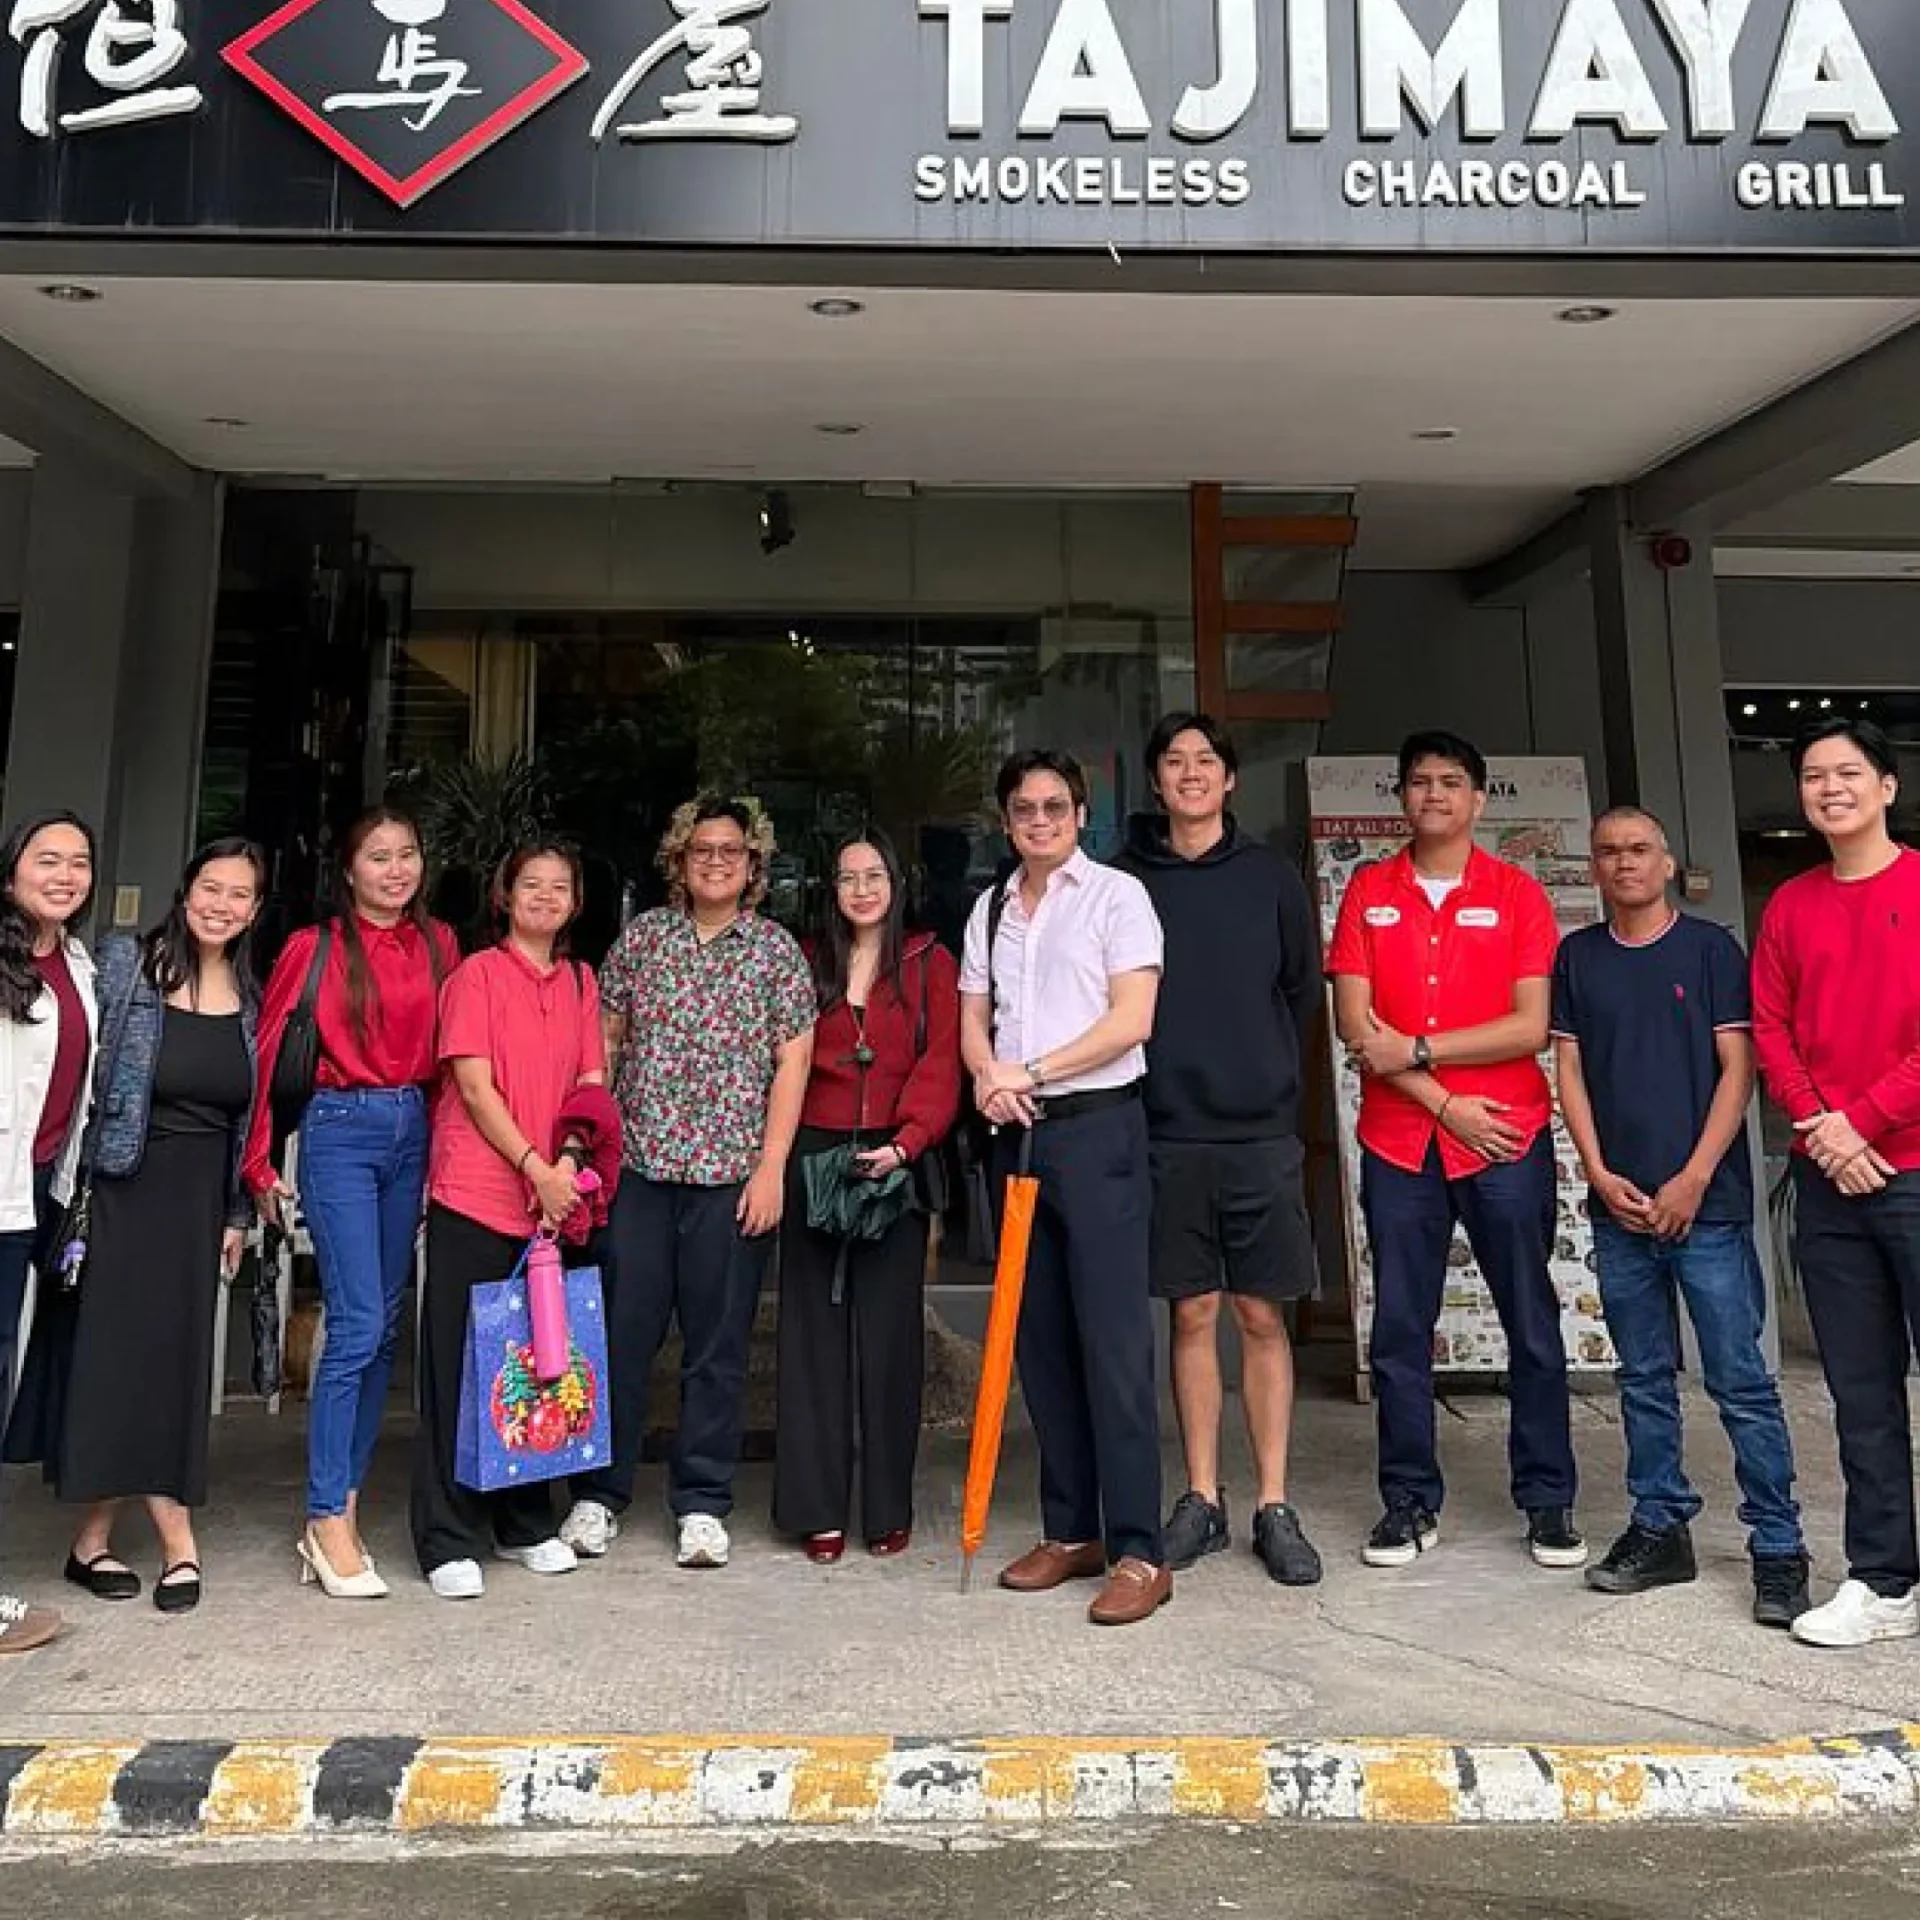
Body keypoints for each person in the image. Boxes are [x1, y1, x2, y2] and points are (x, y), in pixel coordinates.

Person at [1327, 730, 1582, 1572]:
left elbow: (1530, 1025)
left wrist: (1422, 1051)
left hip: (1505, 1135)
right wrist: (1443, 1102)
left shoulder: (1516, 894)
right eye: (1418, 782)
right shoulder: (1370, 891)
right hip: (1402, 1142)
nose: (1432, 794)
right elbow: (1358, 1029)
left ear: (1477, 798)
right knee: (1401, 1329)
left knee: (1531, 1321)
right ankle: (1407, 1501)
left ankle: (1547, 1499)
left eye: (1449, 782)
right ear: (1401, 797)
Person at [1552, 807, 1809, 1627]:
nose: (1624, 863)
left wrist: (1694, 1178)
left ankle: (1779, 1546)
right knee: (1642, 1379)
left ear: (1666, 863)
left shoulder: (1709, 951)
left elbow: (1740, 1069)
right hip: (1619, 1206)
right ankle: (1660, 1525)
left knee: (1740, 1381)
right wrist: (1597, 1172)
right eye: (1609, 852)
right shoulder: (1578, 957)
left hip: (1710, 1209)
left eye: (1639, 850)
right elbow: (1569, 1069)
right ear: (1594, 868)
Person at [7, 840, 266, 1615]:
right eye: (211, 887)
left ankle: (93, 1540)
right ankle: (168, 1538)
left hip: (198, 1202)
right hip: (123, 1187)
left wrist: (236, 1212)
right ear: (185, 892)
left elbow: (246, 1120)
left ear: (255, 910)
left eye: (240, 894)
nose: (222, 905)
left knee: (174, 1363)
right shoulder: (126, 964)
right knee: (114, 1362)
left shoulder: (251, 996)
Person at [561, 796, 815, 1571]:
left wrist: (771, 1167)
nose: (715, 862)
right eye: (701, 849)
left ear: (753, 865)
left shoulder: (775, 952)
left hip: (731, 1178)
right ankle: (598, 1495)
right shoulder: (642, 941)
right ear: (679, 860)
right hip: (639, 1173)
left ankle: (702, 1503)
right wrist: (586, 1148)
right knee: (620, 1338)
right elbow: (604, 1046)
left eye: (731, 851)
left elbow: (793, 1063)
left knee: (717, 1348)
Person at [1114, 714, 1324, 1587]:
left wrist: (1266, 1077)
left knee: (1260, 1315)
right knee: (1192, 1313)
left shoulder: (1270, 877)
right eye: (1175, 761)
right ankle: (1202, 1497)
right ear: (1156, 781)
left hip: (1258, 1132)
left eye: (1207, 760)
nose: (1191, 773)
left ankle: (1274, 1503)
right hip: (1166, 1128)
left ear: (1230, 779)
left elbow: (1301, 990)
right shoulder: (1126, 881)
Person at [960, 749, 1168, 1627]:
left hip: (1098, 1131)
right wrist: (988, 1077)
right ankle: (1071, 1529)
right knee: (1039, 1341)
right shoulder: (991, 907)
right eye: (1023, 809)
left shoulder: (1118, 897)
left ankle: (1139, 1550)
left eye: (1054, 806)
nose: (1039, 820)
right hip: (1019, 1138)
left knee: (1113, 1347)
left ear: (1081, 814)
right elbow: (974, 1018)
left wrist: (1031, 1070)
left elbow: (1132, 1020)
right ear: (1006, 821)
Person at [245, 807, 459, 1600]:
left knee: (385, 1324)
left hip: (413, 1128)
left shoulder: (440, 944)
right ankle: (324, 1512)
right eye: (378, 857)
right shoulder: (315, 947)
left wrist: (443, 1158)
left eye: (407, 854)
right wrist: (259, 1164)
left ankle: (348, 1501)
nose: (395, 870)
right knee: (358, 1321)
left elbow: (451, 1065)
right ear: (349, 870)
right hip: (340, 1127)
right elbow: (268, 1054)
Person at [1753, 715, 1920, 1650]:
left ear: (1887, 786)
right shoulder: (1791, 905)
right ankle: (1884, 1581)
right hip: (1828, 1181)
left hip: (1914, 1167)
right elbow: (1770, 1030)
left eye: (1849, 772)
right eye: (1814, 774)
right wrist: (1826, 1130)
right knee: (1860, 1391)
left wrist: (1861, 1121)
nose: (1830, 788)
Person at [411, 840, 608, 1600]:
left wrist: (565, 1164)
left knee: (537, 1362)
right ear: (505, 894)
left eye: (560, 886)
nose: (545, 897)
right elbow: (474, 1085)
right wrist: (535, 1167)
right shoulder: (476, 976)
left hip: (550, 1201)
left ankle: (523, 1523)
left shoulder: (582, 980)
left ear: (576, 902)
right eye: (531, 884)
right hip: (477, 1193)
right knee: (462, 1365)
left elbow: (590, 1082)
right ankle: (447, 1535)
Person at [773, 829, 961, 1563]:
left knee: (890, 1338)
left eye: (873, 875)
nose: (861, 889)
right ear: (831, 888)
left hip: (895, 1155)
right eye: (848, 877)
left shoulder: (929, 961)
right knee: (811, 1336)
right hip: (813, 1153)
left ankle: (887, 1506)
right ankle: (816, 1509)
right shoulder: (803, 961)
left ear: (896, 882)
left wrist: (906, 1144)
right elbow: (782, 1062)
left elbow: (941, 1061)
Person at [0, 810, 98, 1653]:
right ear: (11, 873)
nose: (65, 875)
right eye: (47, 860)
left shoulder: (76, 961)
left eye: (79, 863)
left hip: (39, 1186)